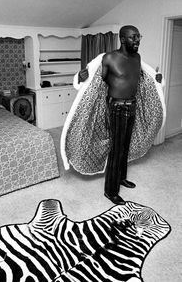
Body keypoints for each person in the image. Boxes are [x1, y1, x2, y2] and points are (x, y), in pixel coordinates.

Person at [60, 25, 165, 205]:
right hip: (116, 108)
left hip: (132, 106)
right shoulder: (109, 58)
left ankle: (121, 177)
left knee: (125, 145)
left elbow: (141, 78)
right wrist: (81, 77)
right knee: (116, 149)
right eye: (133, 37)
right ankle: (110, 190)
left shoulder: (137, 58)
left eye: (138, 37)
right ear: (122, 39)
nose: (137, 41)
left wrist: (156, 80)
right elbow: (94, 79)